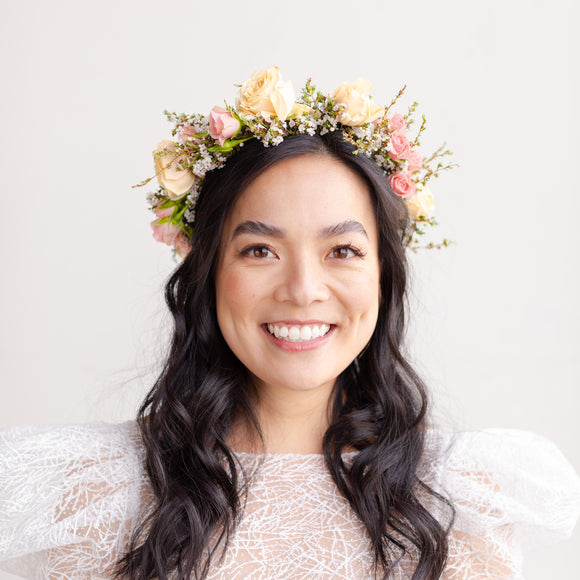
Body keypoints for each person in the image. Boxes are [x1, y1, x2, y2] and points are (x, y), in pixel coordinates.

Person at [1, 67, 579, 580]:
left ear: (383, 274)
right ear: (207, 270)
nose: (303, 290)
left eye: (343, 251)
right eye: (259, 250)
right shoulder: (94, 492)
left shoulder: (461, 500)